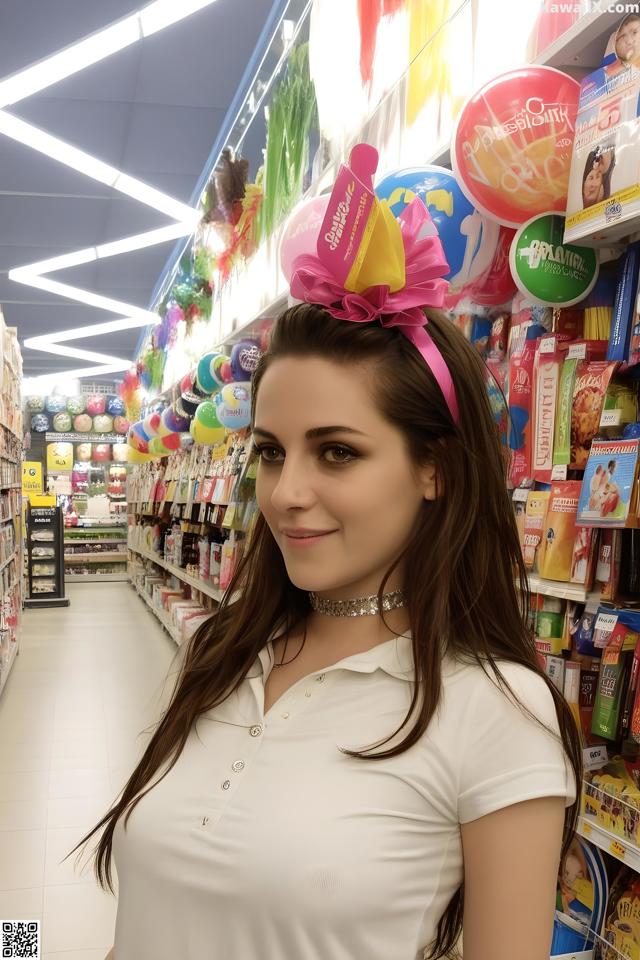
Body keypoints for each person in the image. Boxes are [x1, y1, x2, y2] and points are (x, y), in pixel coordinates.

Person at [73, 144, 580, 960]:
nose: (285, 493)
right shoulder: (221, 651)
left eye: (337, 452)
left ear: (434, 470)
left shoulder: (496, 712)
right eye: (272, 450)